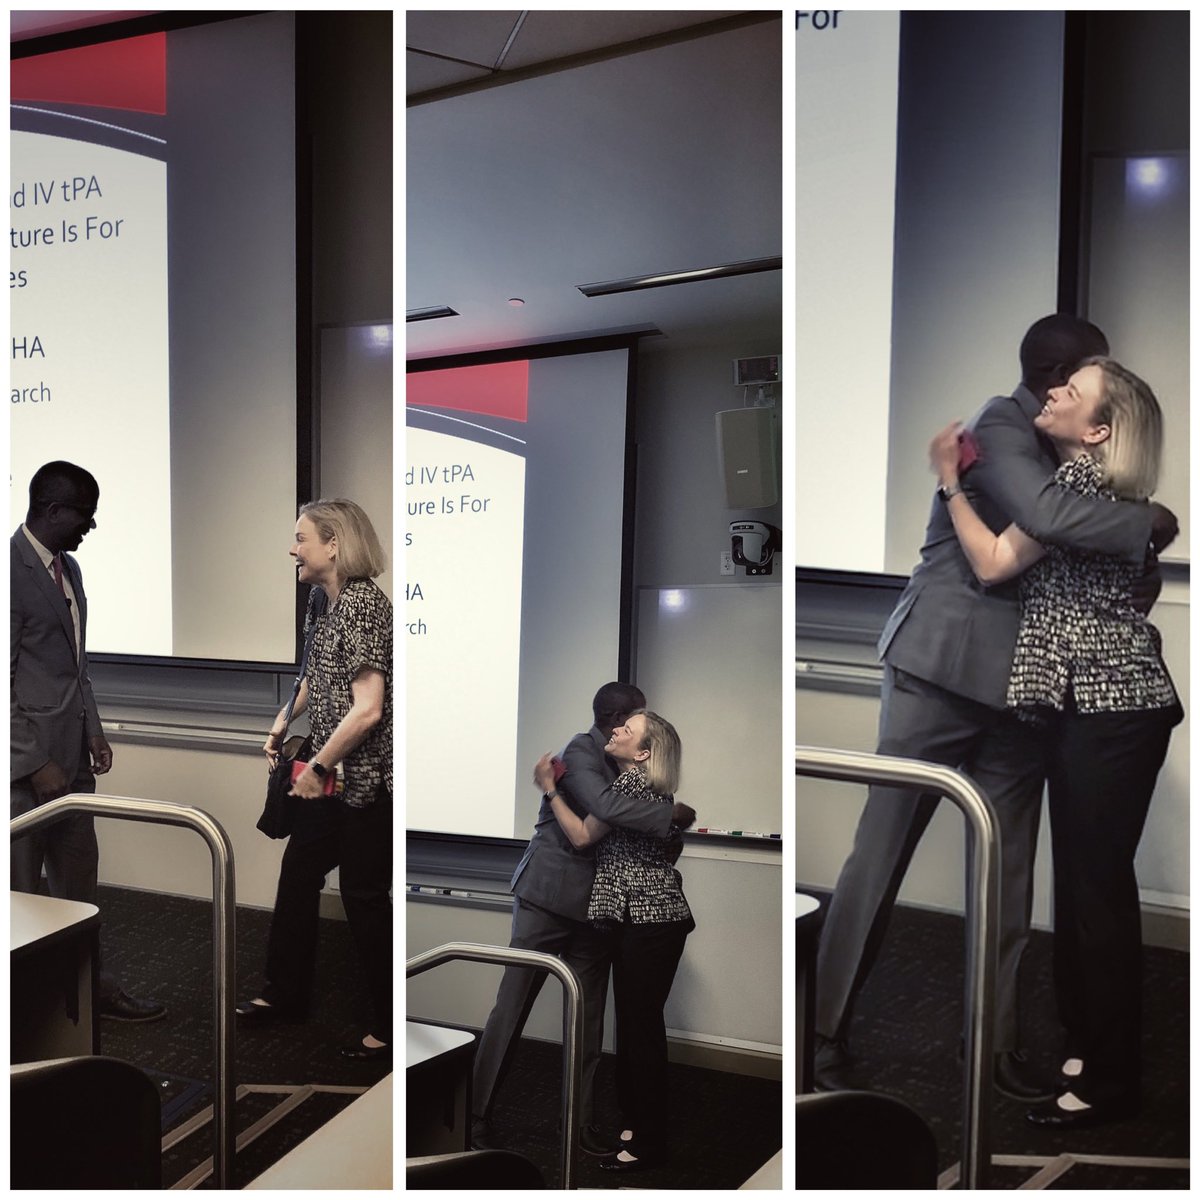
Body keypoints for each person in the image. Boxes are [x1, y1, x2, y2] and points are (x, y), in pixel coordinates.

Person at [812, 315, 1177, 1099]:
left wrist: (1136, 551)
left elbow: (1100, 568)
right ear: (1057, 379)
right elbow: (1044, 521)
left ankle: (994, 1046)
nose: (1086, 388)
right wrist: (1146, 521)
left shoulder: (1080, 450)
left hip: (1027, 692)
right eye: (1085, 373)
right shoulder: (1001, 425)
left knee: (1008, 877)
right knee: (880, 859)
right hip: (939, 672)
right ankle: (824, 1032)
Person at [930, 356, 1182, 1129]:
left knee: (1095, 895)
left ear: (1099, 431)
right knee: (1084, 888)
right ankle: (1089, 1046)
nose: (1054, 392)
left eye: (1073, 392)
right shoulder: (1101, 489)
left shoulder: (1077, 486)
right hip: (1102, 712)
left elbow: (991, 563)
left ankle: (1111, 1081)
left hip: (1111, 713)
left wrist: (950, 482)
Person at [471, 683, 696, 1155]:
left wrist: (665, 820)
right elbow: (605, 811)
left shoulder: (632, 766)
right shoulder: (580, 752)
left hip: (600, 911)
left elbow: (644, 831)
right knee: (511, 1008)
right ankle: (475, 1116)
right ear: (617, 720)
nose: (636, 725)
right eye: (634, 717)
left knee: (588, 1020)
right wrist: (669, 813)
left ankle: (578, 1123)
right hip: (548, 898)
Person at [237, 499, 392, 1060]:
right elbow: (317, 674)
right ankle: (284, 995)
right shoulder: (320, 600)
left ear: (334, 543)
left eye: (301, 538)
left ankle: (389, 1024)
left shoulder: (364, 606)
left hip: (367, 779)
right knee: (299, 873)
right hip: (329, 774)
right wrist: (284, 718)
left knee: (363, 896)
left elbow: (368, 710)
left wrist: (318, 766)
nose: (292, 549)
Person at [10, 461, 166, 1021]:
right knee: (19, 894)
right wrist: (35, 762)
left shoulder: (69, 568)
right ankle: (24, 1013)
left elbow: (77, 667)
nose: (91, 526)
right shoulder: (8, 572)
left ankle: (89, 992)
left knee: (79, 886)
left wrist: (93, 731)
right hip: (24, 774)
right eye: (85, 514)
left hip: (73, 761)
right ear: (53, 510)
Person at [534, 709, 694, 1172]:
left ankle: (649, 1144)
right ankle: (638, 1122)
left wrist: (549, 789)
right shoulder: (648, 787)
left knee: (641, 1033)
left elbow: (583, 836)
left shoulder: (631, 786)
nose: (617, 730)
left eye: (628, 730)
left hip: (649, 923)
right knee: (636, 1027)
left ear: (643, 753)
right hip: (646, 921)